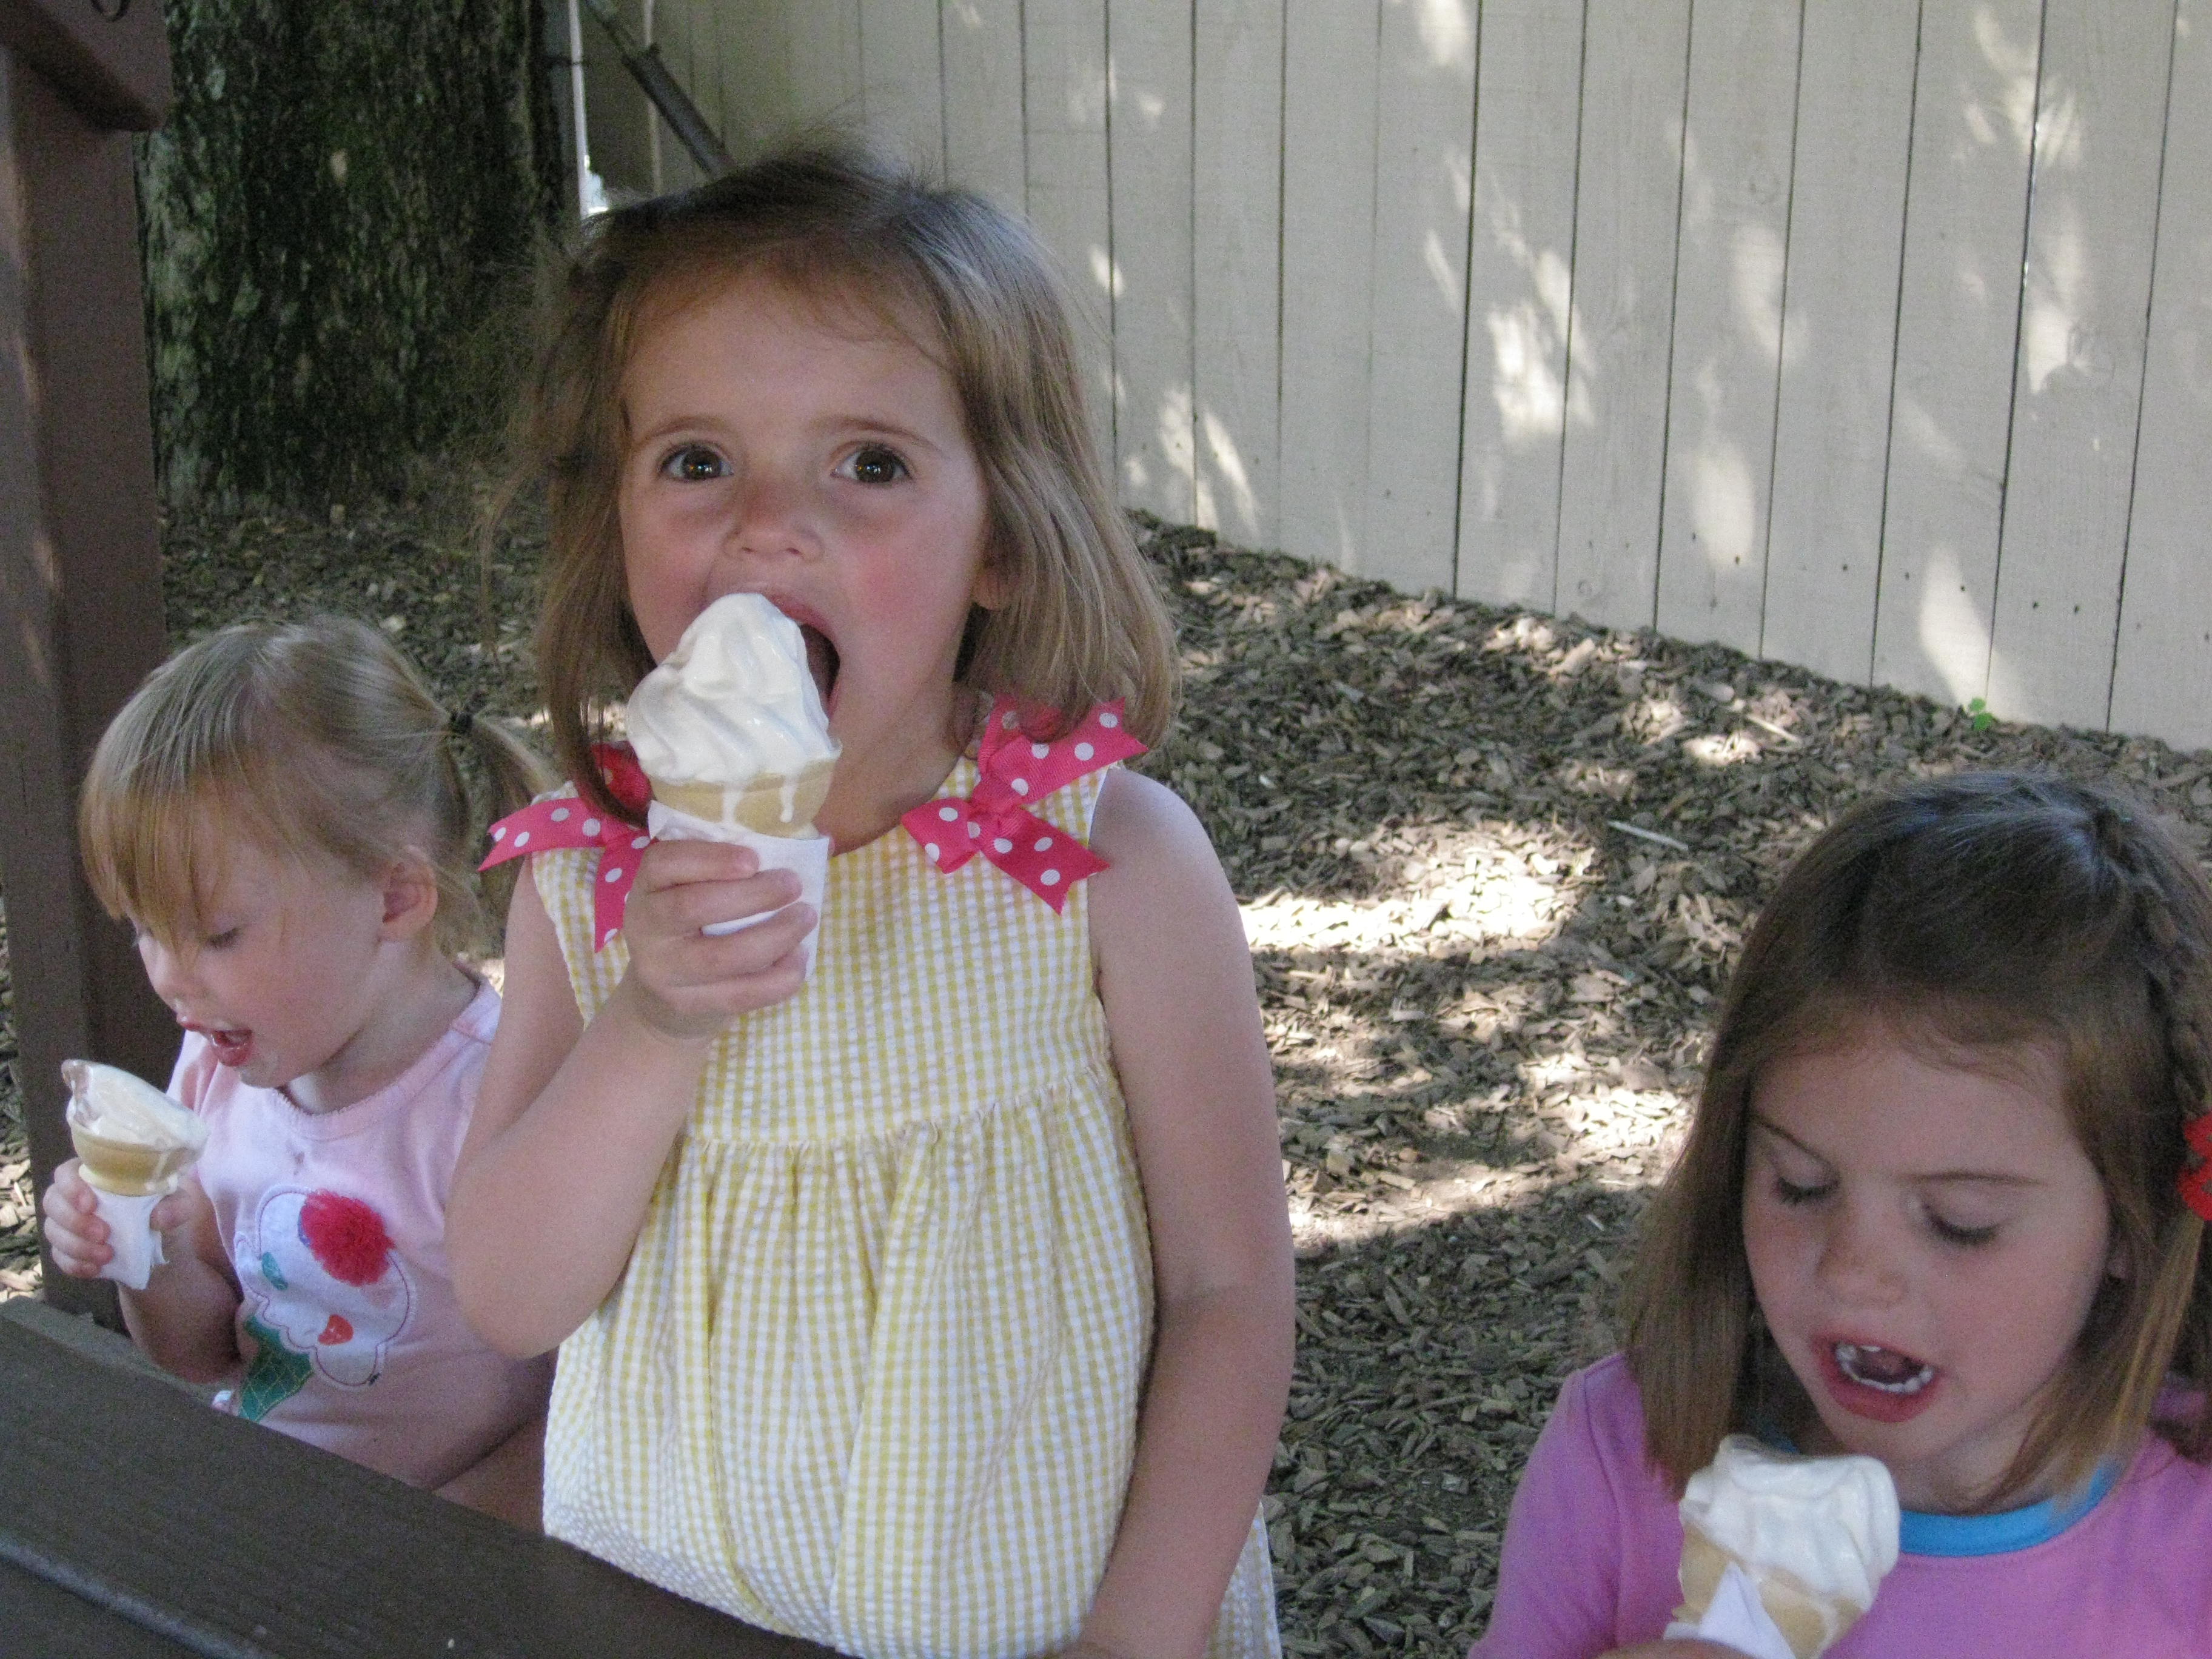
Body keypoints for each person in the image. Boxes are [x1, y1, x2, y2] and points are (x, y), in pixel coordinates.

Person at [444, 144, 1292, 1659]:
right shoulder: (589, 883)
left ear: (1004, 541)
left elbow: (1228, 1293)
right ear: (614, 518)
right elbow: (511, 1297)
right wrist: (654, 1021)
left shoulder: (1108, 870)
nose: (770, 522)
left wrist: (1137, 1640)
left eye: (872, 465)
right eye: (696, 461)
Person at [1470, 773, 2212, 1658]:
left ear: (2134, 1220)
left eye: (1959, 1220)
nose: (1853, 1271)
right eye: (1801, 1185)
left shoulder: (2189, 1540)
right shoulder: (1622, 1455)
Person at [41, 615, 557, 1528]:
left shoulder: (497, 1099)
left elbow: (583, 1410)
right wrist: (145, 1252)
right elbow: (202, 1354)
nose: (169, 978)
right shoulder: (219, 1065)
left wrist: (422, 1551)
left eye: (218, 935)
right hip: (262, 1511)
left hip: (450, 1550)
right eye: (147, 930)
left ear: (394, 898)